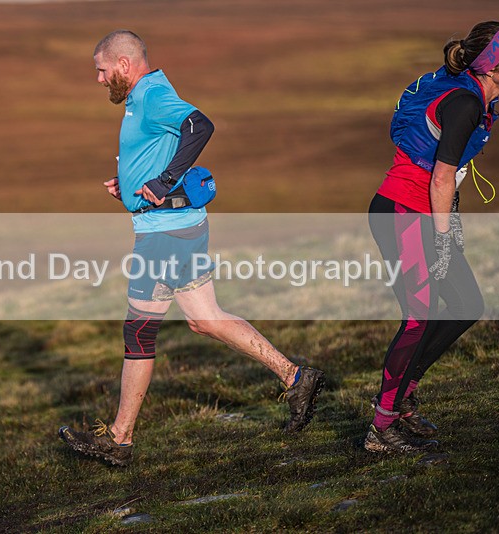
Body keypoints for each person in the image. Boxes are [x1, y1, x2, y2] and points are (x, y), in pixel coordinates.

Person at [58, 30, 325, 466]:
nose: (100, 79)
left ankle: (120, 440)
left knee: (139, 331)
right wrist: (130, 183)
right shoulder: (143, 96)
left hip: (165, 233)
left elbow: (200, 125)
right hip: (179, 226)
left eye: (102, 70)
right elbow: (163, 144)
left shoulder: (151, 96)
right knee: (206, 319)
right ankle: (296, 378)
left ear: (124, 64)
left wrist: (163, 182)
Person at [365, 22, 499, 453]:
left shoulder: (476, 98)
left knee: (465, 304)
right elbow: (441, 177)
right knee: (418, 318)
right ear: (490, 67)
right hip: (402, 213)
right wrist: (444, 237)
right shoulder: (465, 103)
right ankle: (381, 428)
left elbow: (446, 176)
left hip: (421, 213)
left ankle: (403, 397)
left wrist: (446, 225)